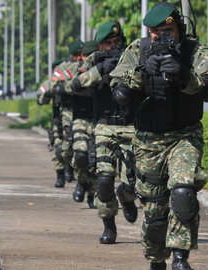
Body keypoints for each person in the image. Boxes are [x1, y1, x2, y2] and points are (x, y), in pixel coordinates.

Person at [109, 3, 208, 270]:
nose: (163, 37)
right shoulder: (137, 50)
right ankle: (157, 261)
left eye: (168, 30)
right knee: (155, 212)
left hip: (185, 135)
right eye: (156, 32)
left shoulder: (196, 51)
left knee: (183, 193)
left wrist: (183, 75)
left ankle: (181, 259)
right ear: (149, 31)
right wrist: (143, 73)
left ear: (179, 27)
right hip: (148, 140)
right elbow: (119, 92)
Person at [68, 21, 139, 244]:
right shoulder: (94, 60)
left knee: (134, 180)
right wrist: (100, 71)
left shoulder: (134, 56)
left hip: (131, 126)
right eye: (108, 43)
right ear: (101, 45)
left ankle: (126, 198)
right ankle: (109, 224)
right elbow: (75, 85)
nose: (113, 46)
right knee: (105, 179)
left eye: (117, 42)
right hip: (105, 126)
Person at [59, 40, 98, 208]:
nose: (89, 58)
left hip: (100, 120)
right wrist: (84, 80)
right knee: (80, 155)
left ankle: (92, 193)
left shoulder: (105, 67)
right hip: (81, 118)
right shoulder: (75, 70)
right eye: (86, 56)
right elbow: (66, 86)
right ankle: (81, 181)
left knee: (96, 159)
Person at [36, 59, 66, 187]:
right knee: (59, 148)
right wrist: (48, 94)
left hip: (76, 119)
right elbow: (40, 98)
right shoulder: (49, 83)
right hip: (59, 120)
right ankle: (60, 176)